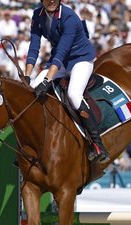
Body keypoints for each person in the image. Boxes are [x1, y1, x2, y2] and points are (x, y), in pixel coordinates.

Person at [24, 0, 109, 164]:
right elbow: (34, 46)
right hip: (60, 61)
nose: (51, 1)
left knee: (73, 94)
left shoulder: (69, 17)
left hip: (81, 59)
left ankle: (97, 144)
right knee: (33, 89)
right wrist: (27, 75)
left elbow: (62, 50)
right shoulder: (37, 15)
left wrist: (48, 79)